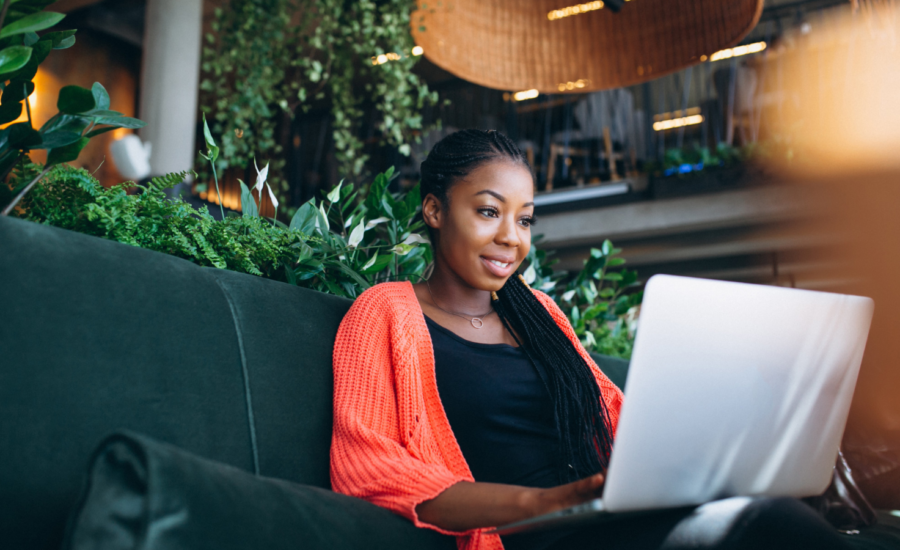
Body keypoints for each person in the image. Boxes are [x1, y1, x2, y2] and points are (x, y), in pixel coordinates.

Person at [329, 129, 851, 550]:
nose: (512, 237)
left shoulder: (541, 316)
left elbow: (618, 421)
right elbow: (372, 472)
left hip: (601, 520)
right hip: (530, 533)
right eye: (489, 211)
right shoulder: (385, 312)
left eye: (525, 219)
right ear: (435, 211)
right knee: (769, 528)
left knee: (771, 518)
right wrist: (545, 503)